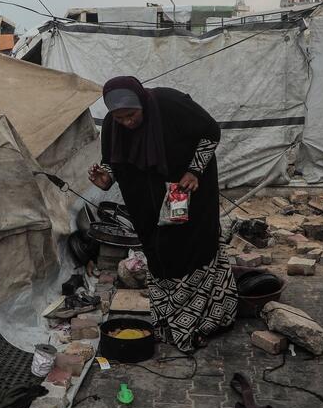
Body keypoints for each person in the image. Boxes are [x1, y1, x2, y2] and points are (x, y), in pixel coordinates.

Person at [87, 76, 237, 351]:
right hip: (144, 202)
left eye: (131, 115)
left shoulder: (171, 104)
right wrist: (105, 178)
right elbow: (112, 161)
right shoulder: (113, 124)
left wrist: (194, 170)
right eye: (119, 118)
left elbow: (210, 132)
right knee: (158, 252)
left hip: (181, 191)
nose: (126, 123)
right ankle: (169, 321)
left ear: (142, 103)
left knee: (188, 247)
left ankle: (204, 321)